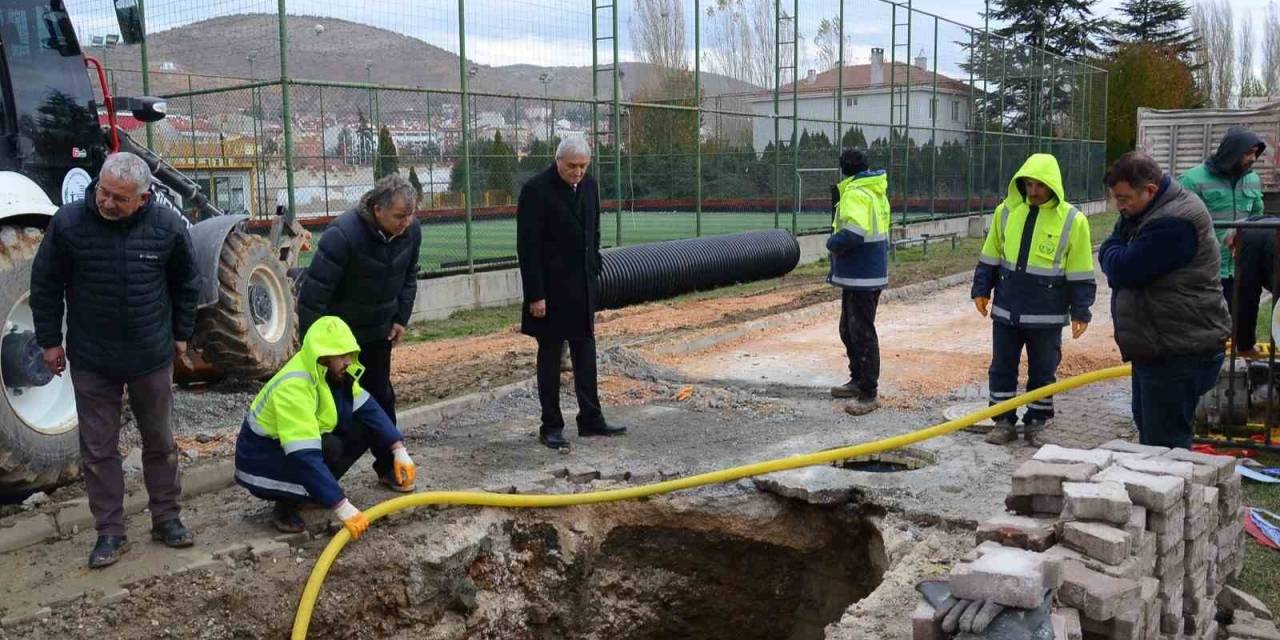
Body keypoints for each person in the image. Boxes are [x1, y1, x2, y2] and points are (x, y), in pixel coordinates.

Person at [30, 152, 200, 568]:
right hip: (92, 358)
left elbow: (186, 282)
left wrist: (181, 334)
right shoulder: (69, 224)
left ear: (142, 199)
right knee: (98, 449)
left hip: (150, 354)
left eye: (119, 198)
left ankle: (167, 519)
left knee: (160, 442)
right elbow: (45, 284)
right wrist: (50, 342)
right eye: (103, 191)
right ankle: (110, 532)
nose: (106, 202)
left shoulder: (166, 227)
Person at [233, 316, 418, 537]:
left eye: (350, 353)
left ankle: (313, 494)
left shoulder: (335, 375)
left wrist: (398, 449)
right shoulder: (294, 386)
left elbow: (370, 410)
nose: (349, 361)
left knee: (363, 429)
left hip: (287, 452)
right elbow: (303, 456)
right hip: (261, 460)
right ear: (322, 357)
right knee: (328, 448)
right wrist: (342, 506)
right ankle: (286, 505)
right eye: (342, 355)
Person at [1100, 151, 1231, 449]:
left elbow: (1123, 268)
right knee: (1151, 434)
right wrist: (1116, 247)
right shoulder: (1146, 212)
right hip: (1161, 346)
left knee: (1165, 447)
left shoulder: (1174, 222)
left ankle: (1177, 496)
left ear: (1150, 190)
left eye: (1124, 198)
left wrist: (1113, 249)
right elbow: (1116, 251)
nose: (1120, 208)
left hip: (1178, 350)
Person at [971, 153, 1096, 446]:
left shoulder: (1073, 221)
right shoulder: (1006, 212)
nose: (1033, 192)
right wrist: (980, 290)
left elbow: (1080, 270)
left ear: (1052, 185)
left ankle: (1037, 421)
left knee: (1043, 370)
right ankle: (1003, 421)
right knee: (1002, 367)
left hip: (1046, 315)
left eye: (1039, 185)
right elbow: (990, 256)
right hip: (1007, 310)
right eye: (1028, 185)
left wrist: (1081, 310)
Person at [516, 136, 626, 449]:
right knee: (550, 359)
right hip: (549, 292)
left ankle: (591, 419)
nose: (578, 172)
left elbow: (594, 230)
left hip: (582, 288)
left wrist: (594, 266)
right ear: (558, 161)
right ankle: (551, 425)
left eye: (583, 166)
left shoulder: (589, 187)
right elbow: (528, 247)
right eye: (572, 166)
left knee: (586, 354)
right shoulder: (536, 191)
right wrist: (535, 295)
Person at [297, 174, 422, 426]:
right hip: (341, 341)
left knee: (382, 400)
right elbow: (313, 298)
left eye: (410, 215)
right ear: (378, 209)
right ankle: (325, 464)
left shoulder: (411, 231)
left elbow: (409, 274)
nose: (406, 223)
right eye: (399, 216)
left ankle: (390, 461)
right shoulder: (342, 235)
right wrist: (320, 352)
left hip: (379, 334)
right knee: (335, 410)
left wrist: (400, 319)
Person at [826, 148, 892, 416]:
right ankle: (857, 380)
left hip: (861, 273)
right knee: (849, 329)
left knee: (861, 332)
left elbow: (853, 232)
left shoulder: (855, 192)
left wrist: (832, 243)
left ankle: (868, 392)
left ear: (843, 169)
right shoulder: (875, 190)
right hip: (867, 272)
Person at [1177, 127, 1267, 309]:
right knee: (1206, 328)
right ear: (1232, 152)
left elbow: (1257, 216)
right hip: (1205, 271)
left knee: (1241, 326)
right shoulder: (1191, 180)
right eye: (1248, 153)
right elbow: (1179, 227)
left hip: (1242, 270)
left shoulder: (1253, 179)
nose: (1253, 158)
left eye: (1255, 153)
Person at [1225, 213, 1279, 355]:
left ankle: (1245, 346)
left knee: (1246, 296)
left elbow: (1246, 300)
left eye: (1232, 249)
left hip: (1266, 246)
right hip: (1265, 243)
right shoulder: (1256, 227)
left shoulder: (1249, 238)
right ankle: (1245, 346)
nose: (1233, 255)